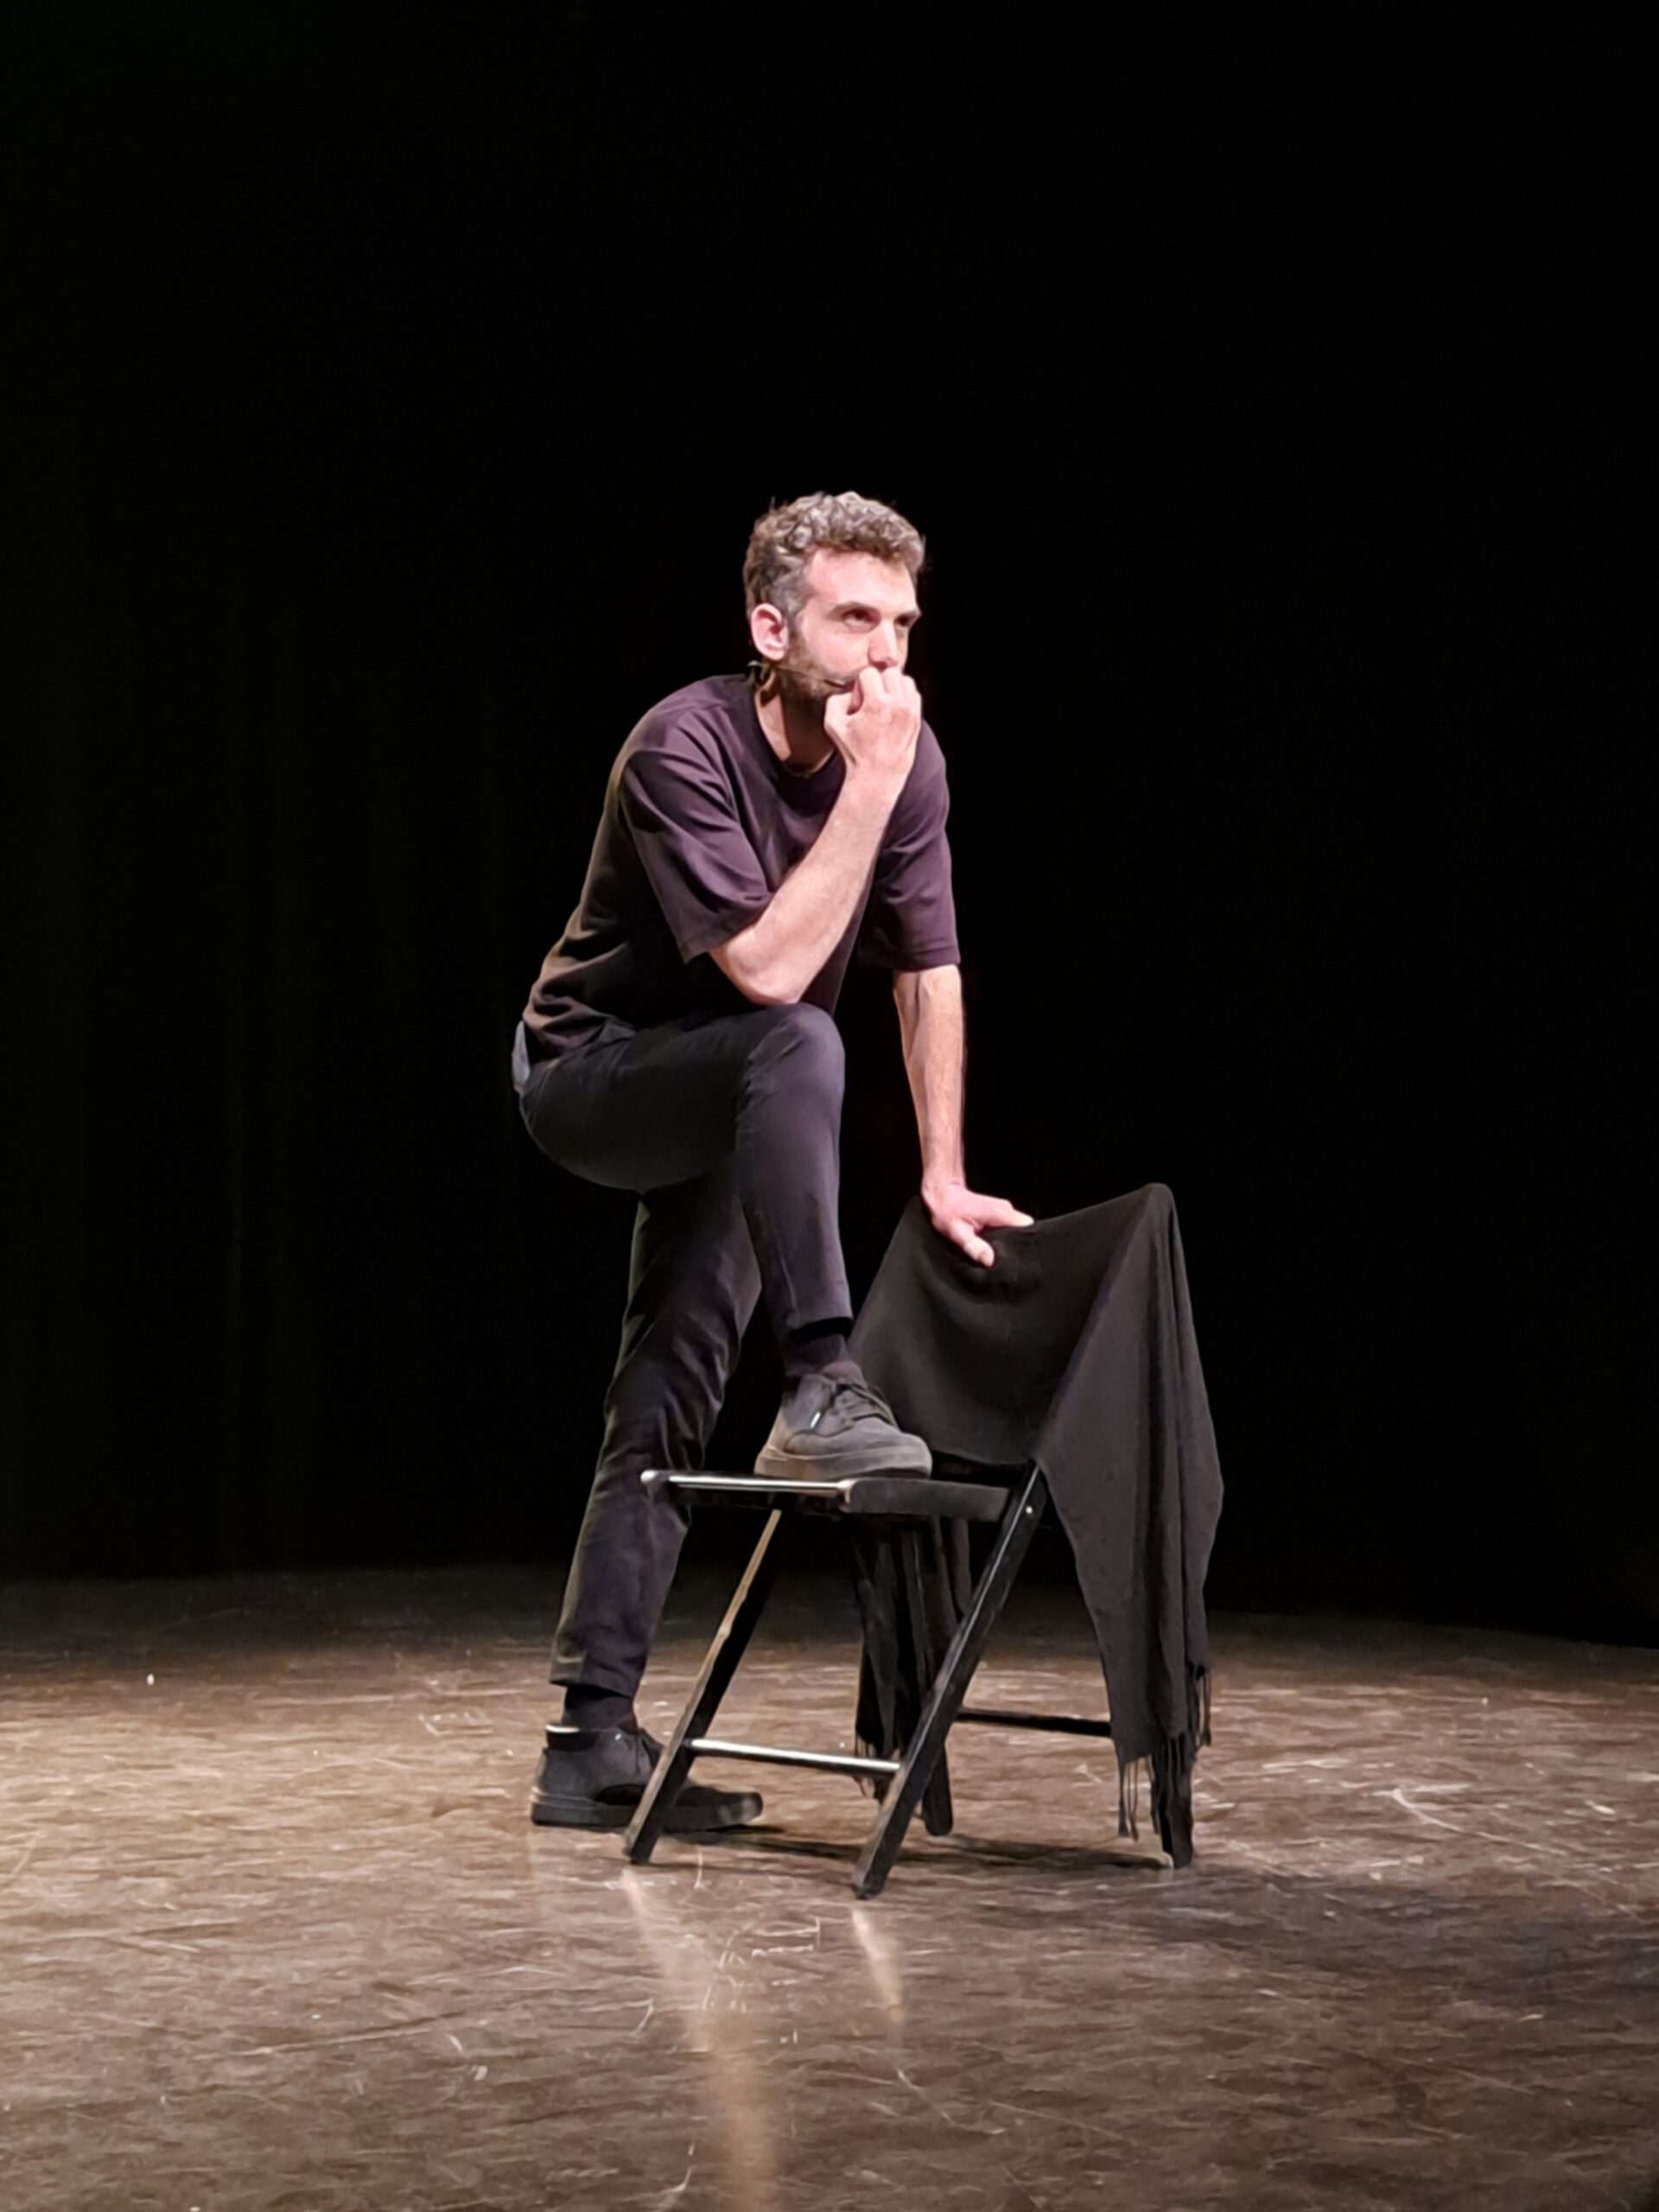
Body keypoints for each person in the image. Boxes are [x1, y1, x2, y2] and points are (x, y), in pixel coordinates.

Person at [511, 490, 1030, 1832]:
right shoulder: (679, 746)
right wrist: (869, 788)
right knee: (797, 1036)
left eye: (903, 624)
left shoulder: (906, 759)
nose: (887, 654)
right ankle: (821, 1380)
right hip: (592, 1071)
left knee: (672, 1386)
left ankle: (588, 1739)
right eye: (856, 619)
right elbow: (772, 971)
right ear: (772, 630)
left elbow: (928, 971)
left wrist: (942, 1170)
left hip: (748, 1097)